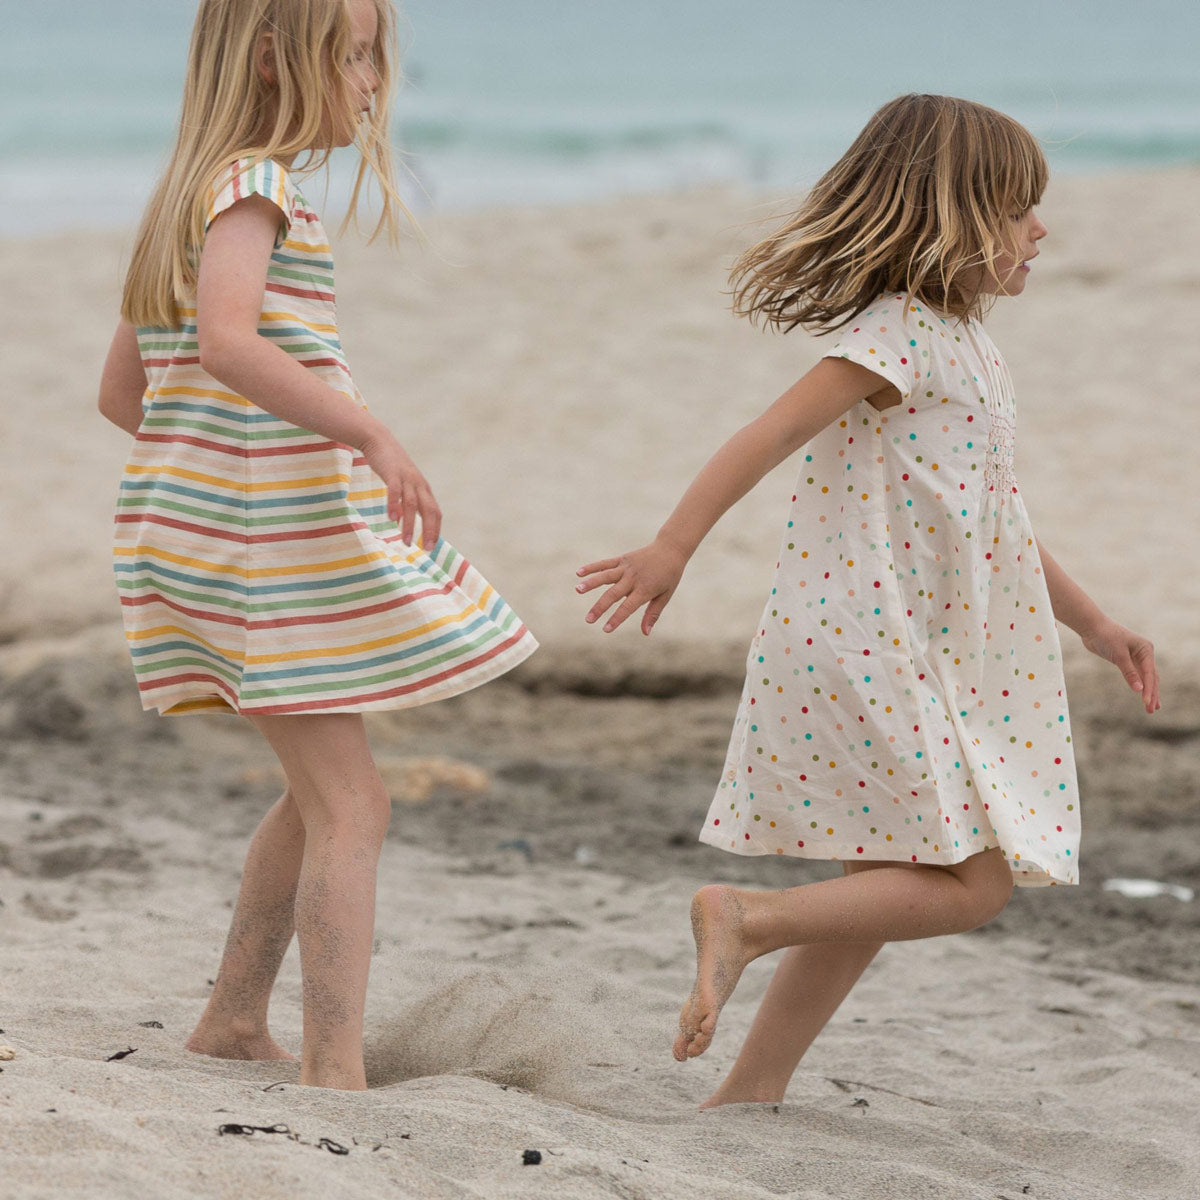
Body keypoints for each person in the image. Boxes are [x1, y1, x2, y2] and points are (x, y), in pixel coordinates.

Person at [576, 94, 1159, 1109]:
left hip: (914, 644)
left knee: (876, 889)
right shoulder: (898, 336)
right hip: (868, 637)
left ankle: (749, 1093)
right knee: (972, 884)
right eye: (1021, 210)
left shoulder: (970, 345)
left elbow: (997, 520)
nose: (1040, 231)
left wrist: (1096, 623)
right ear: (959, 217)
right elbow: (766, 433)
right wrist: (673, 546)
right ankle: (747, 921)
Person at [97, 0, 536, 1091]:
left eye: (375, 56)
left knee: (314, 791)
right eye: (354, 54)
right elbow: (229, 342)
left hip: (196, 543)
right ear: (269, 56)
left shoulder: (176, 200)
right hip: (259, 557)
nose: (373, 81)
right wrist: (364, 429)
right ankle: (334, 1067)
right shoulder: (254, 186)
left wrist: (204, 463)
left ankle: (235, 1020)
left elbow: (124, 395)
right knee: (355, 804)